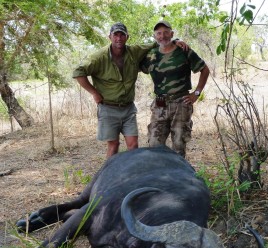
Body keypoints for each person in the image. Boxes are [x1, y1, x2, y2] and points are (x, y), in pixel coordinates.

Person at [73, 22, 187, 158]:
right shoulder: (99, 57)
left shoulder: (134, 51)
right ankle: (110, 176)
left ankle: (132, 176)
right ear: (110, 37)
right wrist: (94, 93)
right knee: (113, 145)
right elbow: (78, 72)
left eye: (122, 35)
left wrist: (176, 40)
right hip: (108, 108)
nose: (119, 38)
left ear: (127, 37)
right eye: (116, 35)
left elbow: (158, 42)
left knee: (133, 145)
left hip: (128, 108)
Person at [140, 20, 210, 158]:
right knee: (154, 144)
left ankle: (178, 176)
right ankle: (159, 175)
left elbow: (205, 70)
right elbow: (138, 66)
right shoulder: (151, 54)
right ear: (155, 37)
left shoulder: (184, 50)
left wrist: (196, 93)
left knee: (179, 144)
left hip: (181, 103)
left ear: (172, 33)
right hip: (160, 104)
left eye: (166, 32)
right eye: (159, 33)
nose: (163, 36)